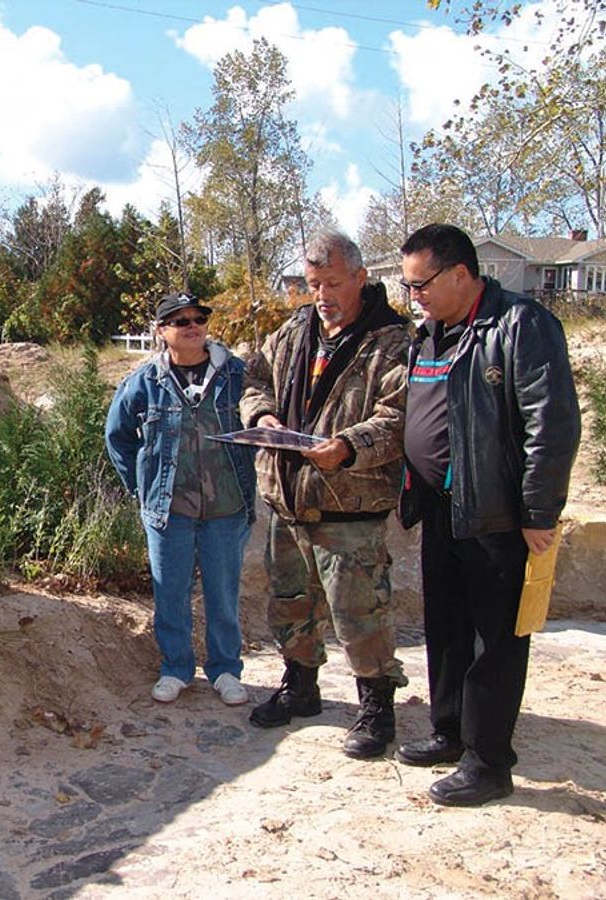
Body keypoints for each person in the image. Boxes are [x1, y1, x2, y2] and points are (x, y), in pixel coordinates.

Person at [396, 223, 580, 806]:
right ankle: (449, 732)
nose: (414, 296)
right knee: (446, 630)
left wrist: (538, 509)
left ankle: (488, 762)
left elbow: (550, 425)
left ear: (460, 274)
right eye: (408, 288)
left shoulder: (520, 325)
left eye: (420, 284)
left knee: (493, 642)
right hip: (441, 510)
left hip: (498, 516)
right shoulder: (430, 334)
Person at [240, 230, 411, 759]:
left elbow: (402, 417)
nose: (322, 294)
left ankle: (377, 707)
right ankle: (301, 686)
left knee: (358, 612)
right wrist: (262, 416)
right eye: (313, 284)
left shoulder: (392, 340)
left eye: (333, 283)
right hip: (288, 498)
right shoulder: (294, 332)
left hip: (349, 504)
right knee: (291, 603)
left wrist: (348, 446)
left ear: (361, 277)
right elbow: (255, 382)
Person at [106, 292, 257, 706]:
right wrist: (141, 486)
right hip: (167, 510)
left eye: (198, 318)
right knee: (169, 593)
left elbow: (263, 425)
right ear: (161, 332)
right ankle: (176, 669)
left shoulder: (236, 374)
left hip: (227, 507)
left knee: (222, 594)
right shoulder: (144, 382)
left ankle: (226, 670)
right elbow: (117, 436)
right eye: (179, 321)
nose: (192, 326)